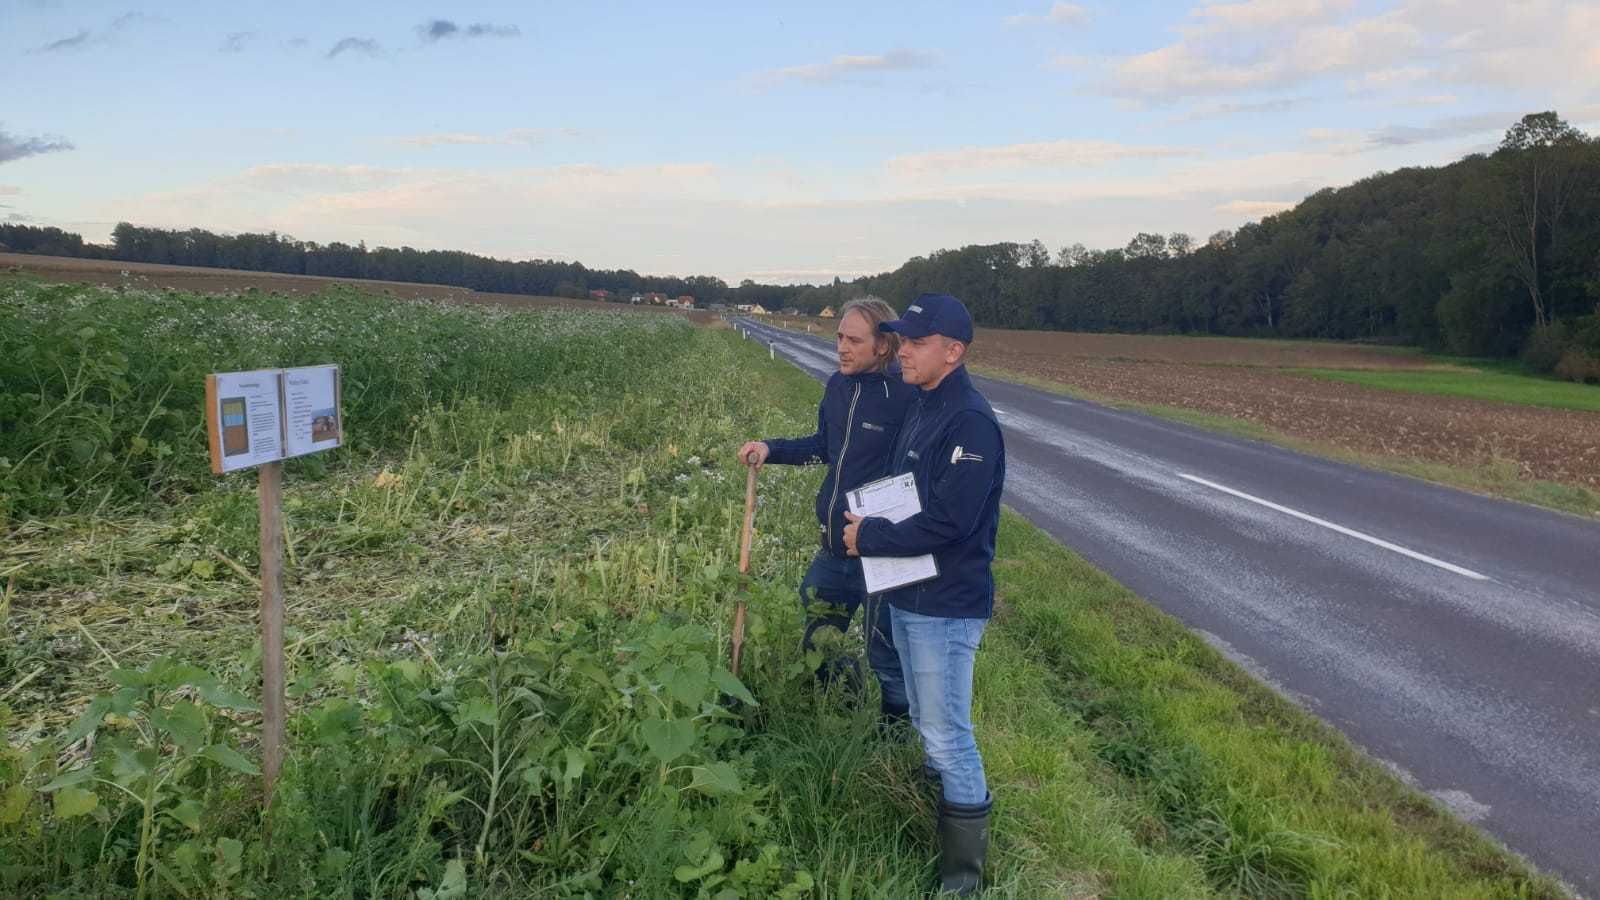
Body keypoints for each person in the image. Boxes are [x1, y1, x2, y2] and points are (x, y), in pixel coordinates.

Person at [841, 292, 1004, 897]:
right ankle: (934, 811)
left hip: (945, 604)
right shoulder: (925, 404)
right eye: (900, 339)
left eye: (914, 342)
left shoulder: (970, 422)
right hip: (909, 592)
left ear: (953, 352)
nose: (901, 350)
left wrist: (872, 535)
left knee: (946, 732)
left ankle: (963, 879)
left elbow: (951, 522)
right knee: (927, 720)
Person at [738, 298, 919, 728]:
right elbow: (823, 446)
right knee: (818, 639)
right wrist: (771, 449)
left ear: (882, 346)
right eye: (839, 336)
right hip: (835, 545)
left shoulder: (907, 397)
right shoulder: (838, 386)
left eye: (854, 340)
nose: (842, 346)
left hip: (883, 552)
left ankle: (894, 738)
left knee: (887, 655)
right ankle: (840, 709)